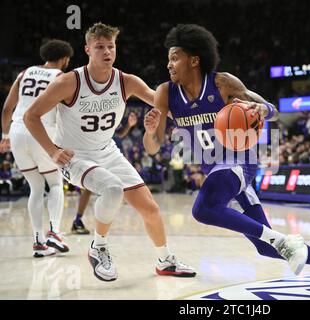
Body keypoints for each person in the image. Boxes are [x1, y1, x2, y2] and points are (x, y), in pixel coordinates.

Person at [143, 24, 310, 299]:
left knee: (203, 208)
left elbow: (269, 110)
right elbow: (151, 148)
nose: (169, 64)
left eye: (174, 57)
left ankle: (286, 241)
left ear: (194, 59)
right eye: (168, 59)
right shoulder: (166, 93)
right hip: (216, 170)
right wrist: (151, 131)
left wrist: (261, 109)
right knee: (267, 247)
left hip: (241, 161)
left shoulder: (222, 83)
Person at [24, 23, 195, 281]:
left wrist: (180, 119)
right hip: (75, 155)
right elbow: (30, 116)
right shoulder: (68, 82)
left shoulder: (127, 81)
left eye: (111, 46)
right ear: (88, 50)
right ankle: (98, 247)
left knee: (150, 208)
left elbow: (163, 106)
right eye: (100, 47)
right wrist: (52, 151)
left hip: (108, 151)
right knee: (113, 189)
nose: (107, 51)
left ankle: (165, 260)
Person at [0, 39, 73, 257]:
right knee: (55, 182)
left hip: (17, 132)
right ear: (64, 59)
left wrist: (5, 136)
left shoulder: (25, 73)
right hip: (41, 130)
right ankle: (55, 233)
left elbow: (6, 108)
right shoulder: (60, 77)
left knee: (35, 187)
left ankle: (39, 242)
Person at [72, 111, 138, 235]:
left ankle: (91, 221)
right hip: (89, 153)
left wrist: (129, 125)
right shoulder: (90, 110)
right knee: (87, 190)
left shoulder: (111, 112)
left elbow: (120, 133)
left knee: (113, 187)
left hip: (108, 154)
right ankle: (78, 220)